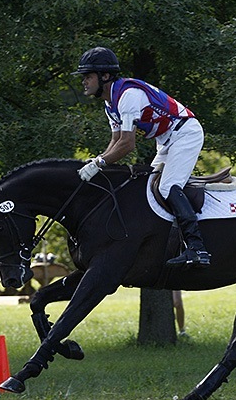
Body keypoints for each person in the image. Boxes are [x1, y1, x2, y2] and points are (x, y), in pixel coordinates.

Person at [73, 46, 211, 268]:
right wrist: (99, 160)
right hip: (166, 140)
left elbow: (128, 145)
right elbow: (116, 140)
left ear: (104, 76)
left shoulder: (127, 97)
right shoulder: (110, 103)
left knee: (167, 187)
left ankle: (197, 248)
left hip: (185, 133)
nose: (84, 81)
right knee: (148, 188)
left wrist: (99, 163)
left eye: (88, 76)